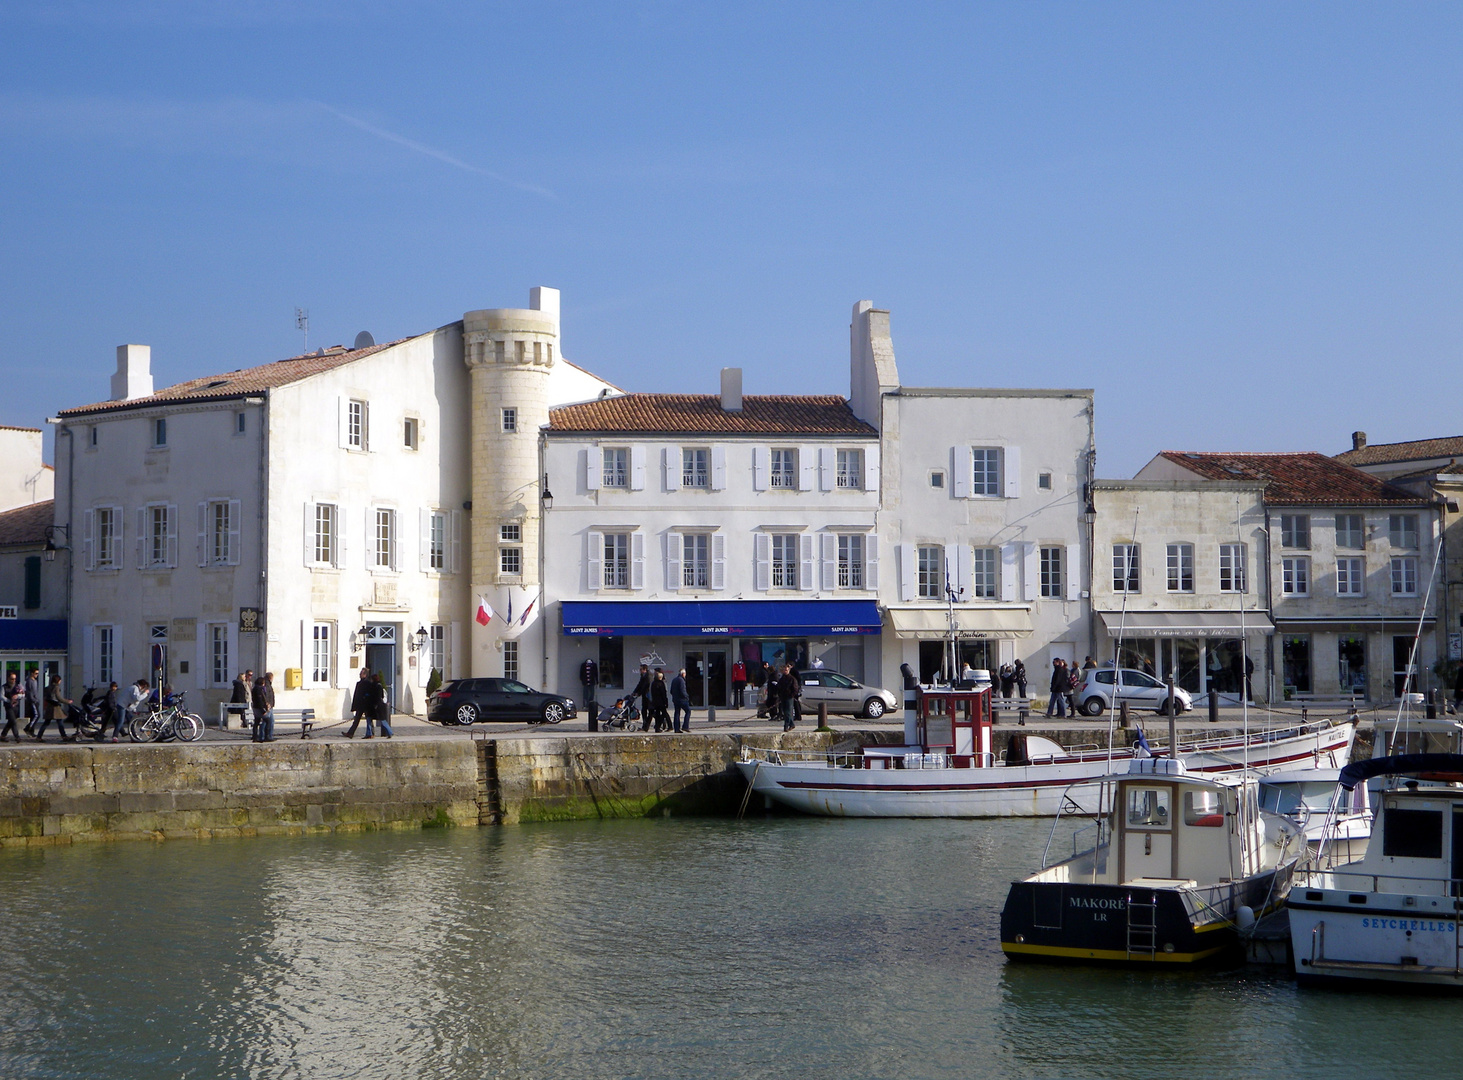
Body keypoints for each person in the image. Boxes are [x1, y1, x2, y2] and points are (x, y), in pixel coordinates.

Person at [37, 673, 74, 741]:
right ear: (58, 680)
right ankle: (64, 736)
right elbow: (59, 697)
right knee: (60, 722)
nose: (60, 681)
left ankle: (39, 736)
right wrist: (67, 701)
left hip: (49, 706)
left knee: (47, 722)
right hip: (55, 707)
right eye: (60, 680)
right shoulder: (56, 687)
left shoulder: (49, 687)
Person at [345, 667, 374, 738]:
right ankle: (350, 733)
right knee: (357, 719)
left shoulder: (367, 683)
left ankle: (371, 733)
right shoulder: (360, 683)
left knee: (369, 719)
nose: (359, 674)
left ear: (365, 675)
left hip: (365, 704)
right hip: (360, 705)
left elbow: (368, 694)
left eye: (361, 673)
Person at [777, 663, 801, 732]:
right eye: (784, 670)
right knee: (785, 712)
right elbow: (779, 687)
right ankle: (792, 724)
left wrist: (792, 695)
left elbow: (795, 688)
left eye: (787, 670)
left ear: (789, 670)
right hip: (783, 697)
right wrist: (779, 694)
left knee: (788, 712)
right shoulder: (782, 679)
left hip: (789, 697)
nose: (785, 671)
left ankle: (786, 726)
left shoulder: (792, 679)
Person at [251, 672, 275, 742]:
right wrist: (265, 707)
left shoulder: (257, 688)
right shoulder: (260, 689)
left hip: (259, 708)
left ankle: (257, 737)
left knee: (258, 722)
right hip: (261, 708)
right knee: (267, 721)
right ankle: (265, 736)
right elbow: (261, 700)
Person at [631, 665, 652, 731]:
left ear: (644, 669)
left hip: (648, 695)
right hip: (644, 695)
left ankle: (647, 725)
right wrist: (634, 692)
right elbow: (640, 684)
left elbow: (646, 686)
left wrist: (638, 693)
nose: (640, 671)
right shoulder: (643, 676)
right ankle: (644, 726)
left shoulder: (648, 676)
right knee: (644, 711)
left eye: (641, 669)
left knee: (651, 711)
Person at [2, 671, 22, 742]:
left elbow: (23, 694)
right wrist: (8, 700)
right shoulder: (4, 687)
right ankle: (17, 736)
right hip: (8, 706)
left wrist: (18, 696)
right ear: (8, 679)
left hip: (16, 705)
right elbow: (1, 696)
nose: (13, 680)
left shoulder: (18, 686)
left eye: (14, 679)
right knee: (13, 721)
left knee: (11, 721)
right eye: (12, 679)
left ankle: (3, 735)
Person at [670, 668, 691, 733]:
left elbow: (671, 691)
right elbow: (682, 691)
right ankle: (685, 726)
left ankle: (676, 729)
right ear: (683, 674)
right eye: (685, 674)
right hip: (682, 700)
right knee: (688, 711)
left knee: (677, 713)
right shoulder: (681, 680)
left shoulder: (674, 680)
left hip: (675, 699)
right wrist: (687, 697)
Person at [373, 672, 394, 738]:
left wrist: (375, 704)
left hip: (378, 705)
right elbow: (382, 695)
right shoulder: (380, 686)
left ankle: (390, 732)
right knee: (382, 719)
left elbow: (378, 696)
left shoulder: (376, 686)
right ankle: (389, 732)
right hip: (381, 704)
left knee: (382, 720)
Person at [649, 669, 670, 733]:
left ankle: (657, 728)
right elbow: (663, 694)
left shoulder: (653, 683)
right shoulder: (661, 684)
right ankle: (660, 726)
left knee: (657, 714)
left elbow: (652, 693)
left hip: (655, 702)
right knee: (664, 714)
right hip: (661, 702)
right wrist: (666, 702)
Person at [23, 667, 41, 738]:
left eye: (38, 673)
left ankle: (31, 731)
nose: (37, 675)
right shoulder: (29, 681)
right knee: (37, 715)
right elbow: (29, 692)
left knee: (33, 716)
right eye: (36, 673)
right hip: (32, 701)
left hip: (35, 700)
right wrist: (33, 700)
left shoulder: (35, 681)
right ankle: (28, 728)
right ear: (32, 673)